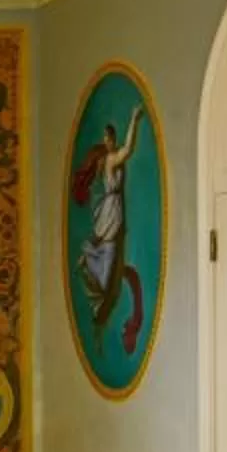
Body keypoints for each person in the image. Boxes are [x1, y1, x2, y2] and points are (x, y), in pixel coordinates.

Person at [71, 111, 148, 355]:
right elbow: (129, 148)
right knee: (106, 276)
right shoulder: (112, 159)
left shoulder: (111, 159)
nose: (107, 142)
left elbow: (127, 149)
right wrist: (134, 120)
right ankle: (99, 310)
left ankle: (100, 313)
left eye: (109, 138)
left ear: (111, 139)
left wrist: (133, 122)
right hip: (111, 210)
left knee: (109, 267)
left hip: (112, 210)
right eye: (105, 138)